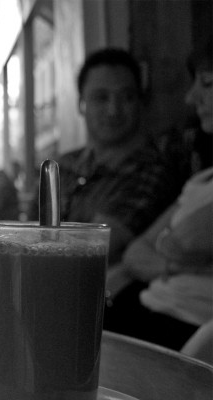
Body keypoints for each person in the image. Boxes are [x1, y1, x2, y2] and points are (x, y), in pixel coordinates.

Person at [103, 37, 213, 352]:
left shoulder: (152, 169)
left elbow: (186, 239)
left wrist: (166, 248)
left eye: (207, 84)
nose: (192, 98)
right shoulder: (202, 179)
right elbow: (138, 251)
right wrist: (178, 263)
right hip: (143, 305)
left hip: (186, 329)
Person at [57, 48, 180, 265]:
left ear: (141, 102)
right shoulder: (63, 165)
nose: (114, 110)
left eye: (127, 97)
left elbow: (95, 248)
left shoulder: (152, 171)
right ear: (80, 104)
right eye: (101, 97)